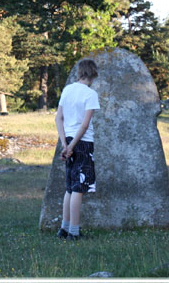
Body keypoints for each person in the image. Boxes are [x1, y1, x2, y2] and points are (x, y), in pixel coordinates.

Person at [55, 59, 100, 241]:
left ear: (79, 72)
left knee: (70, 187)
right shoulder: (90, 94)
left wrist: (65, 144)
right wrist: (73, 146)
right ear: (93, 74)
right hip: (83, 143)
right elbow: (85, 124)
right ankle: (74, 231)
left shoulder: (67, 90)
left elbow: (59, 118)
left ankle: (64, 229)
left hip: (68, 139)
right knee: (79, 189)